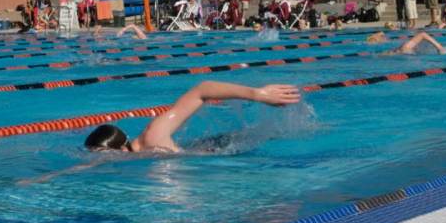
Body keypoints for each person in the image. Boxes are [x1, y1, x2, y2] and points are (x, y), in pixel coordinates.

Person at [83, 81, 301, 154]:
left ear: (120, 149)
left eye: (102, 157)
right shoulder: (134, 156)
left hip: (222, 150)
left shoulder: (153, 136)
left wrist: (257, 94)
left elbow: (201, 90)